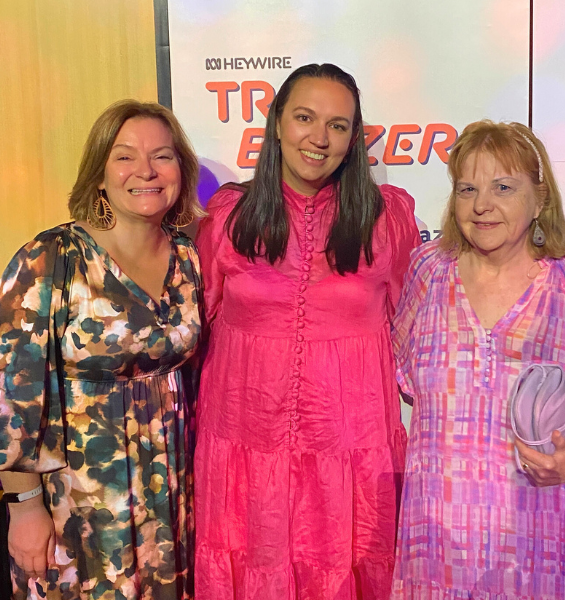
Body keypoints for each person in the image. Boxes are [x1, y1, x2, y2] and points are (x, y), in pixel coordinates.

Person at [193, 63, 420, 600]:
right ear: (275, 124)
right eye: (304, 117)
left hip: (351, 451)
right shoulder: (229, 216)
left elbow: (417, 330)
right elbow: (191, 325)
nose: (319, 138)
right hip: (244, 448)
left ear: (352, 139)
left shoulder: (387, 220)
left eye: (338, 125)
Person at [391, 120, 565, 600]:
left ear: (540, 198)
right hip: (438, 545)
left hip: (539, 541)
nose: (481, 205)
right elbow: (405, 376)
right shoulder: (428, 270)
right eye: (467, 188)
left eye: (503, 187)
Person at [0, 100, 203, 599]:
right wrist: (24, 506)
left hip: (170, 497)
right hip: (80, 506)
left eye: (163, 156)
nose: (146, 171)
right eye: (125, 156)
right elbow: (9, 396)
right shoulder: (50, 259)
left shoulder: (189, 256)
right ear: (99, 174)